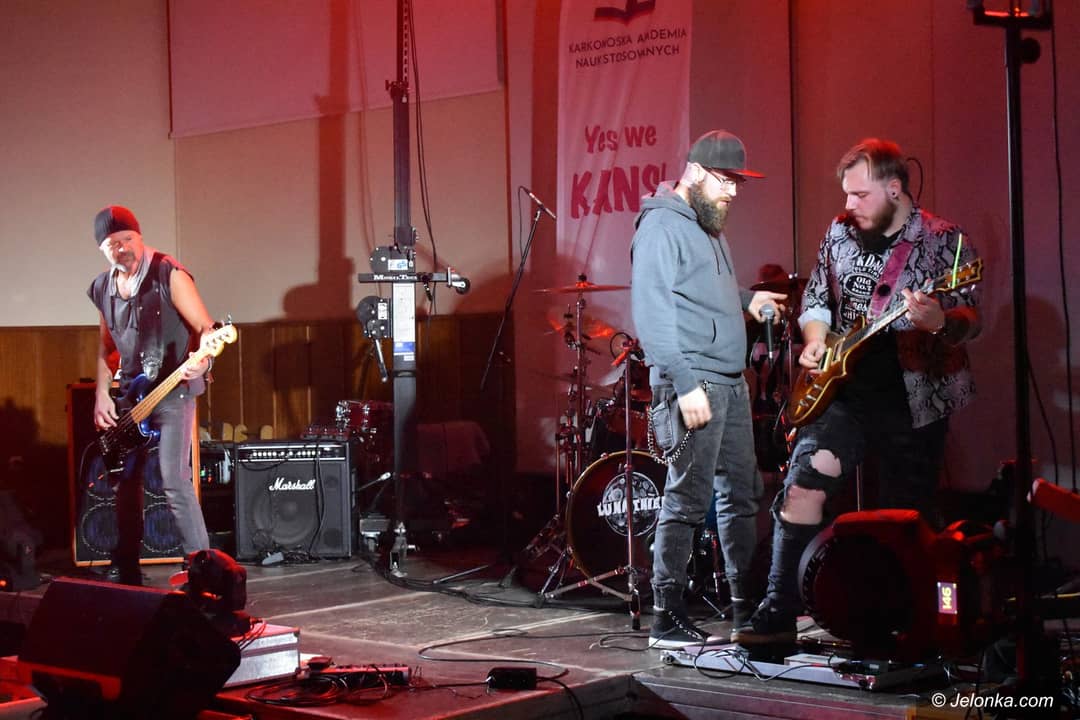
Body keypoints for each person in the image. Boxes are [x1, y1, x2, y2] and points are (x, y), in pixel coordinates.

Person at [738, 138, 981, 645]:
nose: (848, 205)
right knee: (802, 487)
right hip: (842, 393)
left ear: (894, 189)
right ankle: (778, 610)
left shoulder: (944, 240)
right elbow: (816, 300)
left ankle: (907, 623)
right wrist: (813, 341)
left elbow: (970, 317)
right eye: (846, 194)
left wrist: (939, 320)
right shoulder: (840, 232)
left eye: (860, 195)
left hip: (915, 399)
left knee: (906, 517)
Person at [631, 130, 785, 648]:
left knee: (742, 495)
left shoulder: (707, 221)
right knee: (688, 500)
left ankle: (746, 609)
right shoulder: (661, 227)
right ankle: (665, 616)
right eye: (726, 180)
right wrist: (683, 383)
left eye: (738, 181)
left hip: (728, 381)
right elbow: (652, 312)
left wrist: (747, 299)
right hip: (695, 381)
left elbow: (702, 285)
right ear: (695, 172)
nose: (733, 190)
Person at [89, 205, 214, 585]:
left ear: (140, 237)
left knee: (174, 479)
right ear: (102, 249)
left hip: (174, 390)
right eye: (113, 244)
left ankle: (202, 569)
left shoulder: (168, 273)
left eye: (128, 239)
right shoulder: (103, 288)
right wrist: (102, 393)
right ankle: (126, 564)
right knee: (125, 482)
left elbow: (207, 329)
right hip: (133, 395)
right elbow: (105, 347)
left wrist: (203, 362)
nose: (123, 248)